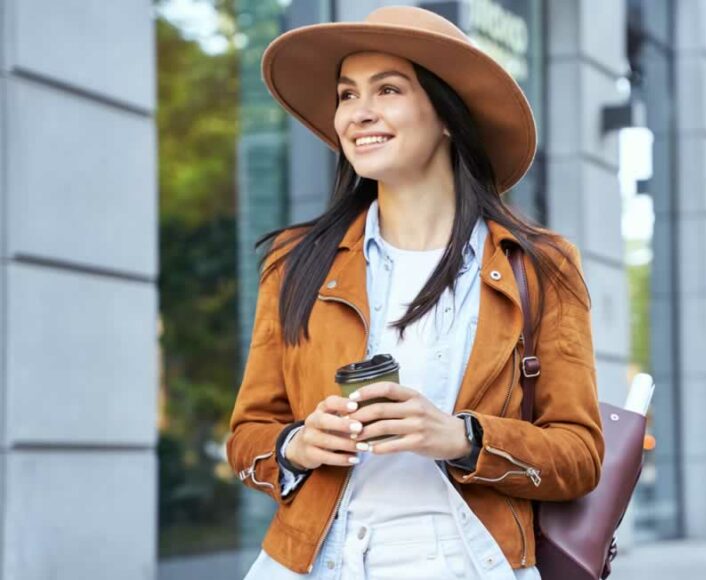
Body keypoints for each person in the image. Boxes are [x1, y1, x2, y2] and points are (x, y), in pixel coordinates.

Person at [227, 6, 605, 579]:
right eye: (347, 94)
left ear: (448, 114)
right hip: (314, 561)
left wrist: (460, 437)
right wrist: (296, 446)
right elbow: (247, 436)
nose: (360, 113)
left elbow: (579, 456)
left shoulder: (539, 266)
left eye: (388, 89)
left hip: (467, 560)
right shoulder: (295, 262)